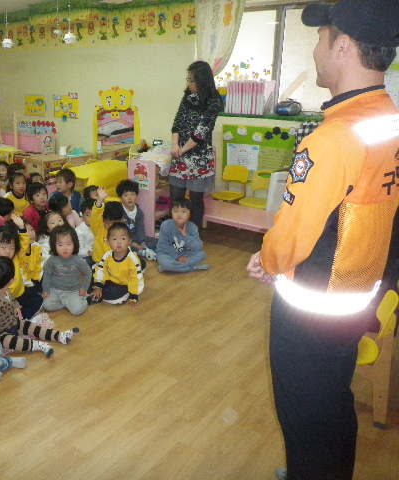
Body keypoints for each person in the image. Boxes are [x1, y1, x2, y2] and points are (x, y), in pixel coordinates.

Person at [245, 2, 399, 479]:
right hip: (356, 299)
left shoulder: (334, 138)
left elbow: (291, 238)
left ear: (343, 46)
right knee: (333, 404)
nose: (315, 50)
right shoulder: (390, 119)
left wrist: (266, 260)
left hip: (310, 310)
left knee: (304, 415)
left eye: (319, 39)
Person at [0, 256, 78, 358]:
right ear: (11, 280)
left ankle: (59, 336)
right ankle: (38, 345)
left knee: (31, 326)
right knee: (10, 341)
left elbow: (12, 300)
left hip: (13, 322)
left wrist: (16, 307)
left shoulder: (4, 289)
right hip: (0, 332)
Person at [169, 60, 223, 230]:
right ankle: (175, 232)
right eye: (188, 79)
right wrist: (175, 144)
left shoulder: (214, 101)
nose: (188, 83)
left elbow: (201, 132)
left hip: (199, 158)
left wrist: (182, 149)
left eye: (191, 80)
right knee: (176, 197)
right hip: (180, 154)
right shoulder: (188, 96)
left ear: (202, 81)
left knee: (195, 200)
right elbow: (177, 122)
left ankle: (194, 235)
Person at [42, 225, 92, 316]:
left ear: (75, 244)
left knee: (77, 311)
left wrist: (84, 288)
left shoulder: (78, 260)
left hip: (73, 291)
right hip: (55, 290)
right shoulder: (52, 260)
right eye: (60, 245)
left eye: (69, 244)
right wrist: (46, 289)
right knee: (47, 305)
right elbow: (47, 274)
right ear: (54, 245)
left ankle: (83, 300)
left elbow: (88, 273)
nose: (65, 248)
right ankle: (66, 303)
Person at [92, 223, 144, 305]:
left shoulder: (132, 259)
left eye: (123, 239)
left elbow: (136, 278)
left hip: (125, 284)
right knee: (93, 278)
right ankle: (100, 292)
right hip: (111, 280)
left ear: (129, 241)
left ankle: (127, 293)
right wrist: (98, 286)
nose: (119, 242)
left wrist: (134, 294)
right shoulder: (107, 255)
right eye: (114, 239)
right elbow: (101, 269)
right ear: (108, 242)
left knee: (112, 296)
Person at [157, 198, 208, 273]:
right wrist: (177, 257)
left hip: (185, 253)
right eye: (175, 211)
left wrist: (186, 236)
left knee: (202, 254)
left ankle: (172, 267)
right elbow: (163, 247)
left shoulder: (192, 227)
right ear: (171, 212)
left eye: (183, 211)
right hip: (168, 254)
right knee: (164, 261)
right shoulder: (166, 225)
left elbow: (198, 247)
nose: (179, 214)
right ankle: (191, 268)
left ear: (190, 213)